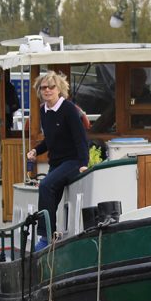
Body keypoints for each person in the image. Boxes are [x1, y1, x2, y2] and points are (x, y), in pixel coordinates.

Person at [27, 71, 89, 251]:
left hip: (73, 161)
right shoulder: (43, 111)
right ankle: (51, 236)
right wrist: (36, 150)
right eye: (43, 87)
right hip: (56, 162)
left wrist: (84, 163)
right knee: (49, 195)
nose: (47, 90)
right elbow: (50, 140)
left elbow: (80, 139)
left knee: (45, 185)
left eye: (51, 87)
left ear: (59, 89)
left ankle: (45, 238)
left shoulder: (69, 109)